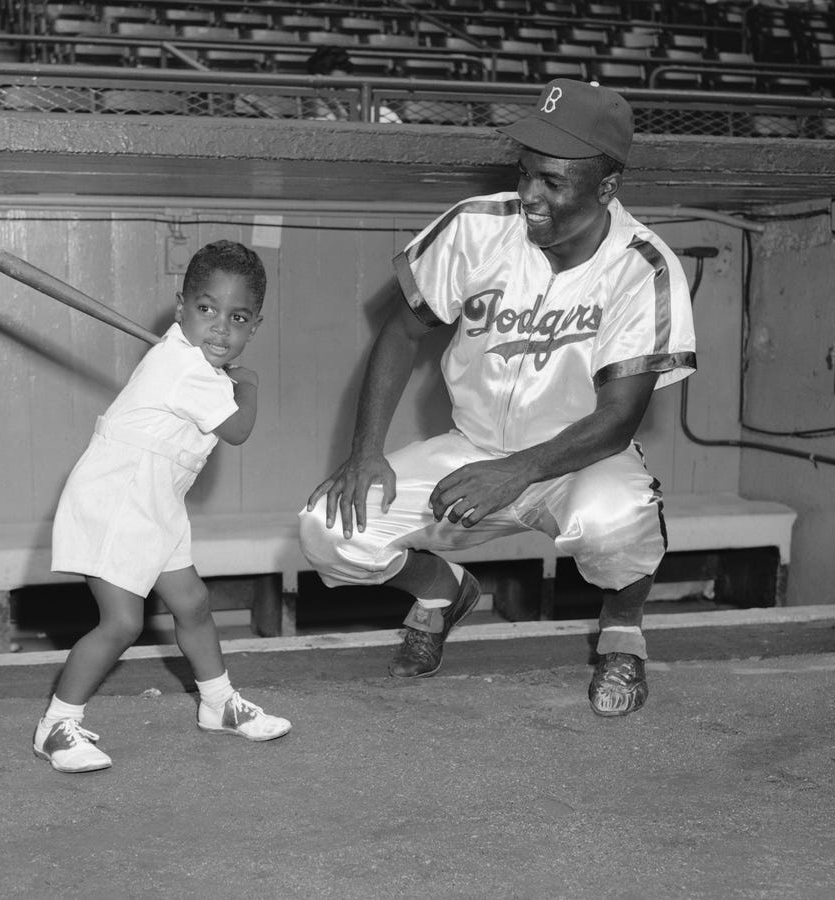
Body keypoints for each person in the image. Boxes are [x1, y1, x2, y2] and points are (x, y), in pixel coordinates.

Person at [299, 79, 696, 718]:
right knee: (329, 530)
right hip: (474, 445)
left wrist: (514, 475)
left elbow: (618, 421)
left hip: (580, 459)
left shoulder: (644, 267)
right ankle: (443, 593)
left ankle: (623, 635)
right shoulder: (477, 227)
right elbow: (402, 330)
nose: (529, 193)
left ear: (606, 187)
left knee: (618, 520)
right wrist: (367, 450)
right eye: (525, 171)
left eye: (553, 181)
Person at [35, 240, 291, 773]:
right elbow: (239, 430)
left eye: (237, 317)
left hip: (157, 500)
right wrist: (251, 387)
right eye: (206, 310)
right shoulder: (186, 369)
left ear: (254, 326)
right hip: (116, 500)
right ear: (181, 308)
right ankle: (56, 725)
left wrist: (229, 379)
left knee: (192, 603)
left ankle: (218, 704)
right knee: (122, 623)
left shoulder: (195, 363)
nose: (220, 328)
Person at [304, 45, 402, 123]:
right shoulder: (316, 122)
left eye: (342, 86)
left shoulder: (382, 114)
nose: (347, 91)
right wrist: (337, 110)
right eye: (335, 88)